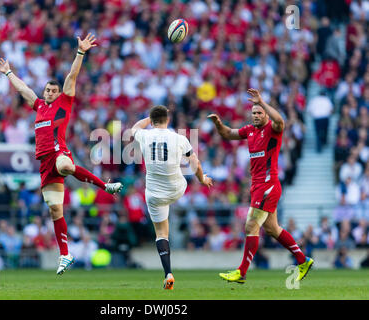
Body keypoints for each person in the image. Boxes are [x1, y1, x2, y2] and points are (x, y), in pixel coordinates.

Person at [0, 33, 123, 275]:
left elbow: (72, 76)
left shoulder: (64, 101)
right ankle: (65, 254)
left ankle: (105, 186)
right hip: (44, 163)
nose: (50, 93)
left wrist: (80, 53)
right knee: (55, 210)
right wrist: (9, 73)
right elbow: (25, 90)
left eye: (53, 90)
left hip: (59, 152)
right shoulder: (40, 106)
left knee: (65, 165)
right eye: (48, 90)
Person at [208, 88, 314, 284]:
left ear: (265, 113)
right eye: (254, 113)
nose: (256, 116)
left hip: (268, 184)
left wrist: (263, 102)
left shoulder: (273, 130)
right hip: (257, 186)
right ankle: (303, 260)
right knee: (273, 229)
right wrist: (217, 123)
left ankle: (242, 272)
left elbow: (281, 121)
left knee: (251, 225)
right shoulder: (249, 131)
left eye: (259, 113)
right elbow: (228, 134)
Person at [131, 105, 213, 290]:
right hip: (177, 189)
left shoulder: (144, 135)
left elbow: (135, 127)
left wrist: (148, 117)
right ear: (168, 120)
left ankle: (168, 272)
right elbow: (195, 162)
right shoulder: (179, 138)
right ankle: (187, 219)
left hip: (154, 194)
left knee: (161, 233)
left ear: (152, 122)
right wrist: (202, 179)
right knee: (180, 174)